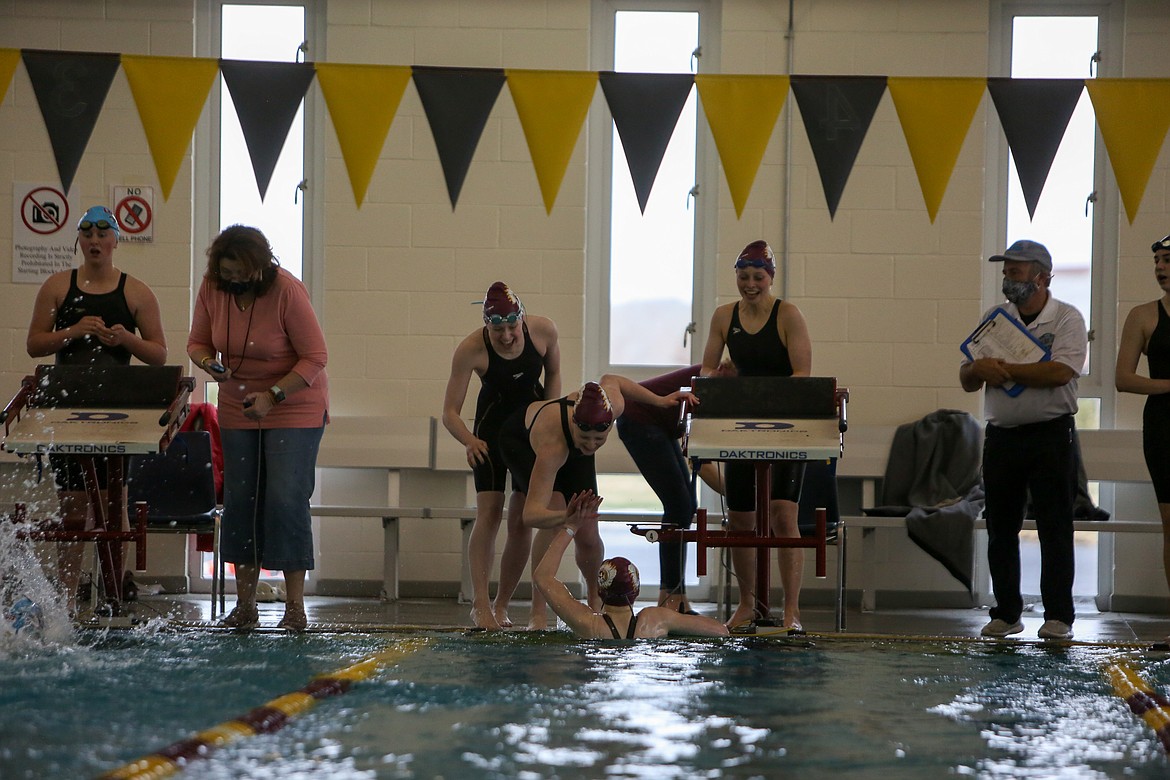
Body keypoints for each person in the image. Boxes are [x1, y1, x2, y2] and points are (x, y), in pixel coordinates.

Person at [25, 205, 167, 614]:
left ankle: (112, 593)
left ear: (115, 241)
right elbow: (34, 344)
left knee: (112, 506)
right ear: (80, 241)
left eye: (102, 233)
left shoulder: (136, 292)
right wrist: (72, 332)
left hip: (119, 416)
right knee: (73, 511)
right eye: (86, 233)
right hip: (65, 412)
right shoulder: (57, 286)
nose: (94, 240)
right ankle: (68, 598)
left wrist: (125, 339)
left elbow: (159, 354)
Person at [187, 225, 329, 631]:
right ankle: (245, 605)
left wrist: (273, 396)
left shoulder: (286, 291)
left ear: (261, 267)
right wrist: (208, 363)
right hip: (238, 405)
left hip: (294, 405)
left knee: (285, 498)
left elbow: (316, 356)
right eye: (227, 273)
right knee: (242, 501)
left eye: (241, 274)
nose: (233, 281)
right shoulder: (212, 287)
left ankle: (295, 608)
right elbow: (197, 342)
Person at [960, 239, 1087, 641]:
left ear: (1041, 276)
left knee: (1054, 526)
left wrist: (1006, 370)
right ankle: (1007, 612)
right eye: (1006, 270)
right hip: (1002, 437)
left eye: (1015, 271)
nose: (1007, 277)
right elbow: (966, 378)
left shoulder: (1066, 319)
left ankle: (1058, 616)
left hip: (1051, 435)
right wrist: (980, 367)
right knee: (1001, 528)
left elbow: (1060, 373)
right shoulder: (996, 318)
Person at [499, 376, 697, 630]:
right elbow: (532, 515)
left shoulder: (610, 408)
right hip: (521, 441)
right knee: (556, 508)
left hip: (573, 450)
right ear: (575, 424)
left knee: (590, 530)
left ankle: (596, 601)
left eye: (599, 440)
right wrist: (566, 518)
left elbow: (613, 380)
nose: (592, 445)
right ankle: (537, 613)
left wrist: (660, 401)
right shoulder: (553, 446)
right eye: (587, 439)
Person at [699, 239, 812, 630]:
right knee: (742, 521)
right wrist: (718, 380)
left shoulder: (788, 315)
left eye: (758, 277)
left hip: (785, 430)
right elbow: (707, 373)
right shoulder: (722, 316)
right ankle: (749, 604)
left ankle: (792, 610)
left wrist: (767, 399)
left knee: (784, 516)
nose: (750, 284)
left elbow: (802, 376)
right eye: (743, 276)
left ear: (771, 277)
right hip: (741, 429)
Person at [442, 281, 561, 630]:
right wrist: (469, 440)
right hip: (490, 433)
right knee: (489, 514)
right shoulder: (470, 349)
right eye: (498, 330)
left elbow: (553, 375)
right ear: (486, 326)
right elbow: (450, 411)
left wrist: (548, 417)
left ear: (522, 319)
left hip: (531, 432)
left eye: (512, 327)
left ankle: (502, 605)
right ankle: (480, 604)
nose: (507, 336)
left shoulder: (544, 331)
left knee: (524, 520)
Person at [614, 363, 727, 614]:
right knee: (678, 505)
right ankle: (671, 597)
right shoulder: (711, 386)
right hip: (637, 419)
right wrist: (743, 498)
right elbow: (704, 464)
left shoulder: (719, 382)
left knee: (686, 507)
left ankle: (673, 595)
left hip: (657, 426)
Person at [533, 515, 730, 639]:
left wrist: (570, 527)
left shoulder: (588, 624)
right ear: (637, 591)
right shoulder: (655, 619)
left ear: (600, 592)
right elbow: (721, 631)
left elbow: (543, 577)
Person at [1115, 234, 1170, 615]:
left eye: (1167, 260)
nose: (1160, 268)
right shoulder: (1144, 315)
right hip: (1165, 426)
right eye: (1157, 262)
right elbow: (1123, 378)